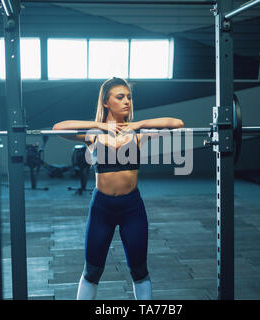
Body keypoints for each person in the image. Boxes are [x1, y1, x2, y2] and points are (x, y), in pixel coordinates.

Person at [52, 77, 184, 300]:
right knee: (92, 271)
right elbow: (58, 128)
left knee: (139, 271)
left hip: (132, 208)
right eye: (120, 97)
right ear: (106, 102)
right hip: (102, 208)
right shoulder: (93, 134)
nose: (127, 102)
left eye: (129, 97)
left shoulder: (138, 134)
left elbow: (177, 123)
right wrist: (99, 125)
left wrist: (139, 124)